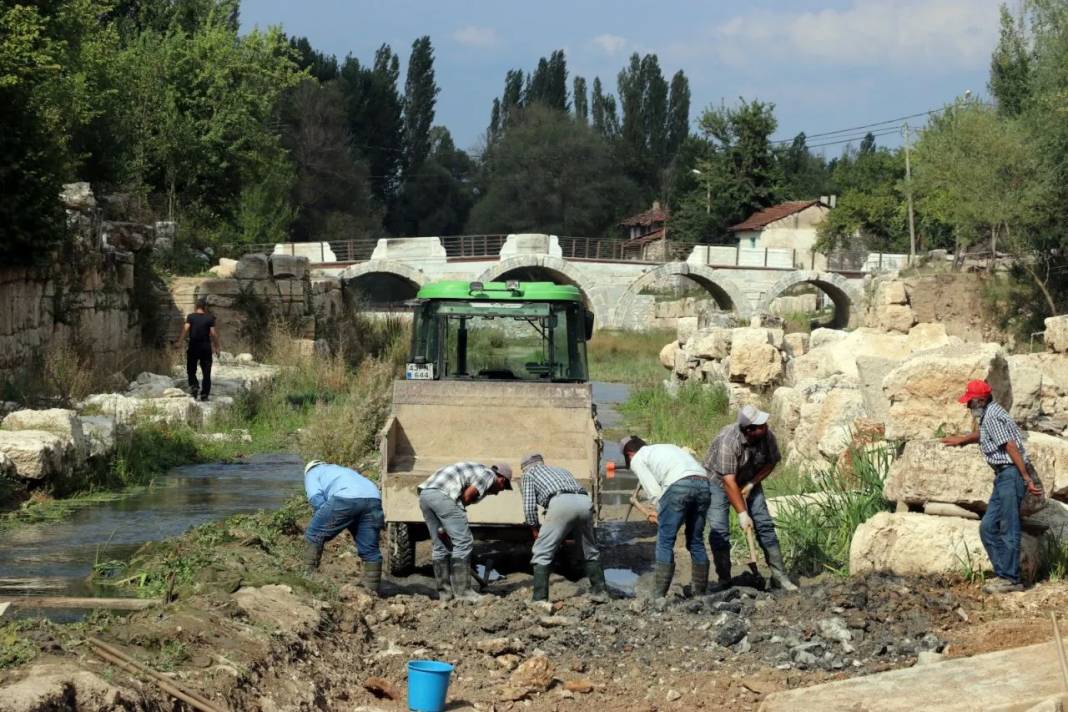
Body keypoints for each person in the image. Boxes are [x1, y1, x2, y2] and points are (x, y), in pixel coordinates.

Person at [942, 379, 1041, 594]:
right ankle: (1004, 574)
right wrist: (964, 439)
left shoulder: (993, 415)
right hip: (1003, 475)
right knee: (987, 527)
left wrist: (1026, 477)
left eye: (971, 402)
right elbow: (987, 435)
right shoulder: (990, 414)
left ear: (982, 400)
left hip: (1010, 474)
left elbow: (1010, 446)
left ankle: (1011, 579)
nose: (968, 407)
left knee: (1008, 525)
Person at [704, 404, 797, 591]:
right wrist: (742, 514)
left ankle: (780, 577)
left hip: (748, 478)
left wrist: (752, 483)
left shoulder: (767, 436)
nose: (766, 426)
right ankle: (724, 580)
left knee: (764, 524)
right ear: (749, 430)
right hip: (719, 483)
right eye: (761, 425)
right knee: (719, 530)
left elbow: (771, 462)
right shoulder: (728, 441)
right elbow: (728, 482)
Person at [621, 435, 711, 599]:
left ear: (629, 453)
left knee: (665, 541)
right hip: (703, 482)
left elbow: (653, 490)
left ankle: (658, 595)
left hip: (678, 484)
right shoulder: (666, 447)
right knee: (696, 540)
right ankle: (700, 593)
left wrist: (658, 510)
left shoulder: (637, 458)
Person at [520, 453, 607, 608]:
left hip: (561, 503)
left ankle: (539, 599)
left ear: (525, 467)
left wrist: (534, 528)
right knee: (590, 549)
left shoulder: (529, 474)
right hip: (584, 502)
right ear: (542, 462)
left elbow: (529, 505)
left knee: (541, 552)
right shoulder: (562, 471)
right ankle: (600, 592)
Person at [418, 461, 513, 602]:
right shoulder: (489, 475)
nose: (499, 492)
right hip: (443, 495)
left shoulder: (477, 470)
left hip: (425, 495)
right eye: (503, 487)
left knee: (440, 547)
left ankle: (445, 594)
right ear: (501, 478)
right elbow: (467, 496)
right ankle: (463, 592)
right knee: (464, 542)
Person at [303, 460, 385, 594]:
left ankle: (305, 579)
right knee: (370, 551)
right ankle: (372, 591)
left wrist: (327, 521)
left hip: (346, 499)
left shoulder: (312, 473)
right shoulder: (340, 470)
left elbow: (316, 499)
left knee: (313, 534)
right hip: (374, 498)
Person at [181, 297, 220, 402]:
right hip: (206, 348)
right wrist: (217, 347)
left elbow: (185, 329)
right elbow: (213, 334)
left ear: (196, 307)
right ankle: (204, 395)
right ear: (205, 307)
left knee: (191, 370)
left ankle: (194, 387)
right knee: (206, 373)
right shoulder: (209, 318)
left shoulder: (191, 317)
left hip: (193, 347)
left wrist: (178, 342)